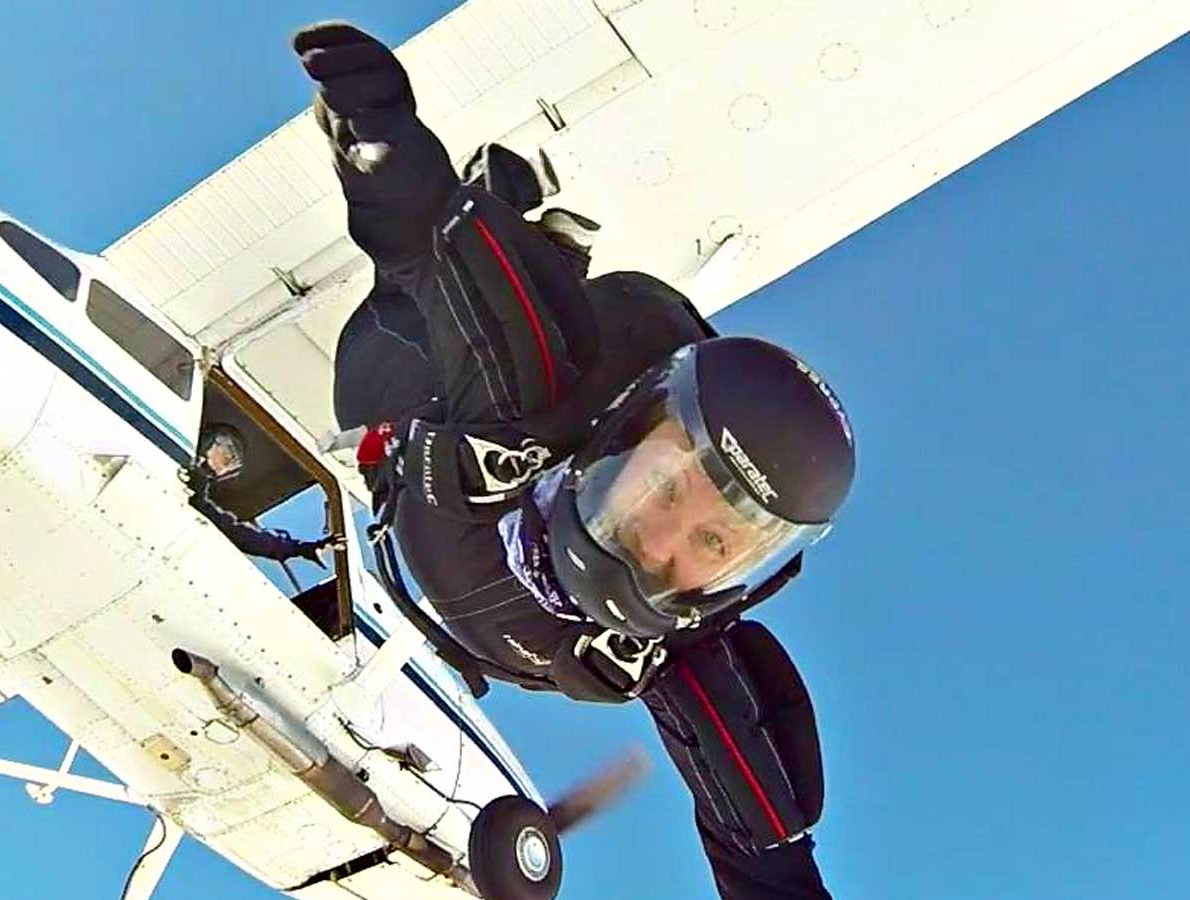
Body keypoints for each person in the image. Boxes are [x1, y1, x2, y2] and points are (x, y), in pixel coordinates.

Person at [297, 23, 855, 899]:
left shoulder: (668, 648)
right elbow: (436, 257)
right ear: (627, 440)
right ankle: (524, 226)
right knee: (491, 351)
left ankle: (541, 240)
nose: (663, 548)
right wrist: (383, 147)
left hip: (452, 599)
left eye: (715, 547)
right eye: (670, 488)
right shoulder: (523, 414)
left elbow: (765, 847)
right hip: (396, 383)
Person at [184, 425, 343, 567]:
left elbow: (241, 534)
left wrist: (299, 548)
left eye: (231, 461)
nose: (226, 461)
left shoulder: (200, 494)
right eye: (226, 451)